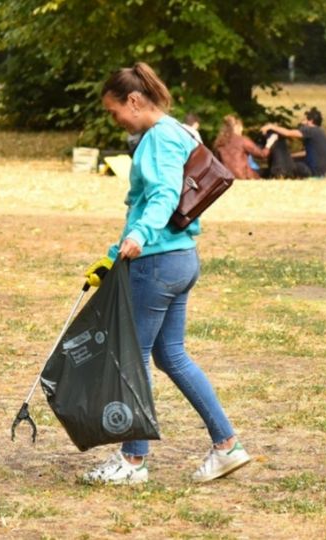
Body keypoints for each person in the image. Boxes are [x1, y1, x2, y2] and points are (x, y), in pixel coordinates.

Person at [83, 62, 251, 485]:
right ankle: (226, 445)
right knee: (170, 354)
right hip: (181, 258)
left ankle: (132, 462)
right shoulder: (180, 130)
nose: (114, 119)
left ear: (134, 100)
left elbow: (161, 195)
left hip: (156, 261)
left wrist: (139, 234)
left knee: (132, 358)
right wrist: (112, 254)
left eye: (114, 110)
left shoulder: (157, 138)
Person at [261, 107, 326, 178]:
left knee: (288, 167)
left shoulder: (310, 130)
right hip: (325, 172)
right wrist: (290, 156)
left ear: (310, 121)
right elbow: (305, 153)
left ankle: (270, 172)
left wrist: (271, 126)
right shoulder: (320, 132)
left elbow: (288, 133)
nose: (301, 122)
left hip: (314, 172)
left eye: (304, 120)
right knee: (291, 163)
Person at [213, 114, 275, 180]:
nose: (242, 130)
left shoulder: (219, 142)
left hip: (225, 176)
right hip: (242, 175)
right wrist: (269, 144)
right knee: (269, 171)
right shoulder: (242, 140)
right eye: (241, 127)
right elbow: (262, 155)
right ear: (236, 127)